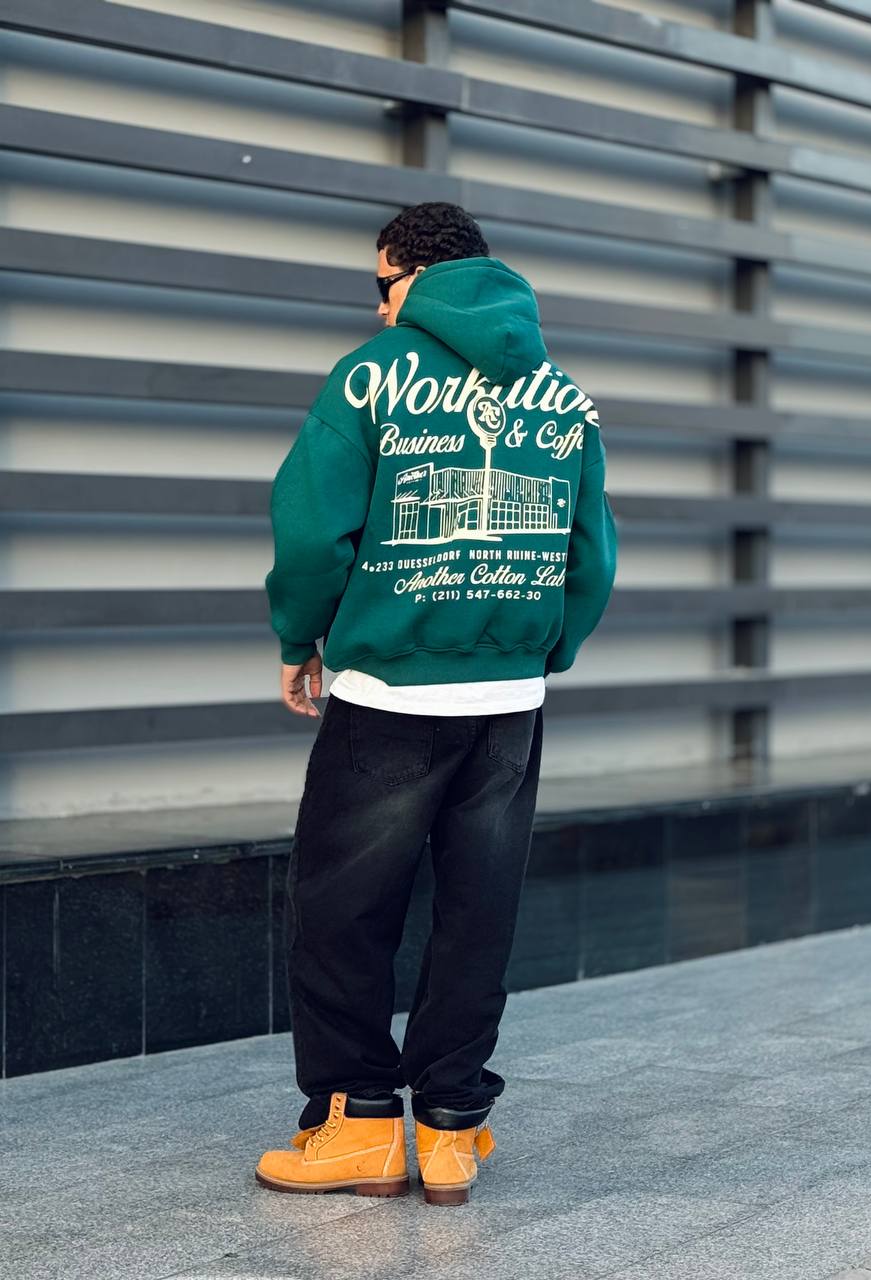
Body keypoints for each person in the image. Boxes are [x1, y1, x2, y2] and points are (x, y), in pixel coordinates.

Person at [255, 202, 617, 1206]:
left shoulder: (369, 378)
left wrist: (299, 637)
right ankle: (453, 1126)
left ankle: (360, 1123)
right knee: (477, 910)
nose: (378, 309)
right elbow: (591, 553)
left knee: (345, 910)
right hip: (509, 699)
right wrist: (544, 650)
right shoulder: (561, 394)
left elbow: (311, 530)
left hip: (390, 693)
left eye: (381, 287)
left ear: (411, 274)